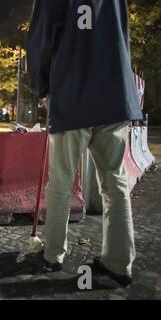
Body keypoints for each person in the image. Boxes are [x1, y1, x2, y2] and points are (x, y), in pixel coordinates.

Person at [27, 0, 143, 287]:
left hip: (72, 95)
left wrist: (41, 86)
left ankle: (53, 255)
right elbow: (122, 35)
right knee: (115, 182)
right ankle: (120, 263)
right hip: (114, 95)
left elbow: (41, 38)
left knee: (61, 182)